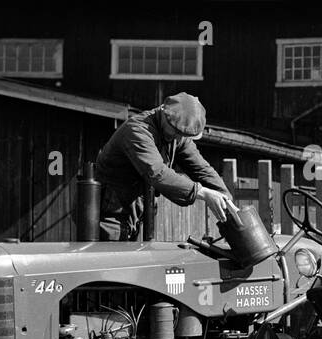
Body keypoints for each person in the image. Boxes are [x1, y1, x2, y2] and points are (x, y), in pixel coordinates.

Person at [94, 92, 236, 240]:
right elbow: (157, 173)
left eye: (182, 135)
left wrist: (227, 199)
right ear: (164, 113)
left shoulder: (176, 135)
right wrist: (203, 193)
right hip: (109, 218)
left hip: (137, 215)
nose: (178, 137)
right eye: (175, 131)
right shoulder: (138, 130)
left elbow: (202, 169)